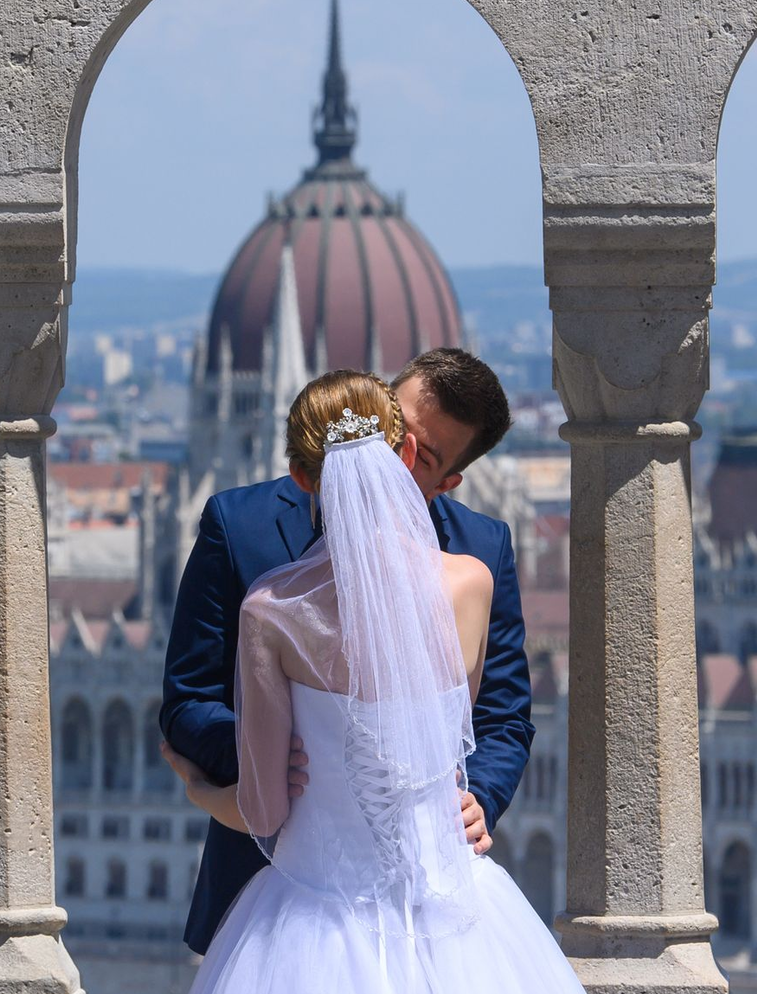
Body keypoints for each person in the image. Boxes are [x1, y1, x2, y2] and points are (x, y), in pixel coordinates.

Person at [158, 371, 635, 994]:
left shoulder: (275, 608)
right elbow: (439, 732)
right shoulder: (465, 581)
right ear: (395, 440)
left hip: (308, 914)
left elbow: (499, 719)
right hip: (447, 908)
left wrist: (202, 784)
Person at [161, 349, 535, 957]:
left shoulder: (480, 550)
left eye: (421, 455)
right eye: (393, 428)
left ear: (449, 482)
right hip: (272, 902)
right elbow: (188, 700)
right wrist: (270, 755)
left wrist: (482, 798)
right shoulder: (238, 523)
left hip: (428, 894)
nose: (390, 455)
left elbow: (500, 716)